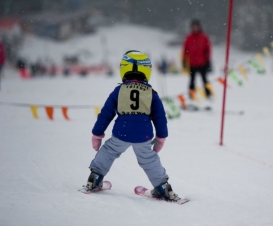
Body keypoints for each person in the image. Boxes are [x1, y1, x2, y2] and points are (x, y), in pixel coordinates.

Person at [84, 50, 179, 201]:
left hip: (121, 131)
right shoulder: (151, 93)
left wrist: (97, 133)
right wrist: (161, 137)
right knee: (148, 159)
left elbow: (106, 114)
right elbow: (160, 117)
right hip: (144, 135)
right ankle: (163, 187)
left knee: (108, 151)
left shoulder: (119, 90)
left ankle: (95, 177)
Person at [182, 19, 212, 99]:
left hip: (202, 62)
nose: (195, 28)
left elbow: (208, 49)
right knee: (192, 80)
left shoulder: (203, 37)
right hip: (192, 63)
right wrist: (184, 60)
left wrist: (208, 60)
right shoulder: (189, 38)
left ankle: (208, 94)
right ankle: (191, 94)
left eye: (196, 26)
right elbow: (185, 50)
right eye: (193, 27)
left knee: (204, 79)